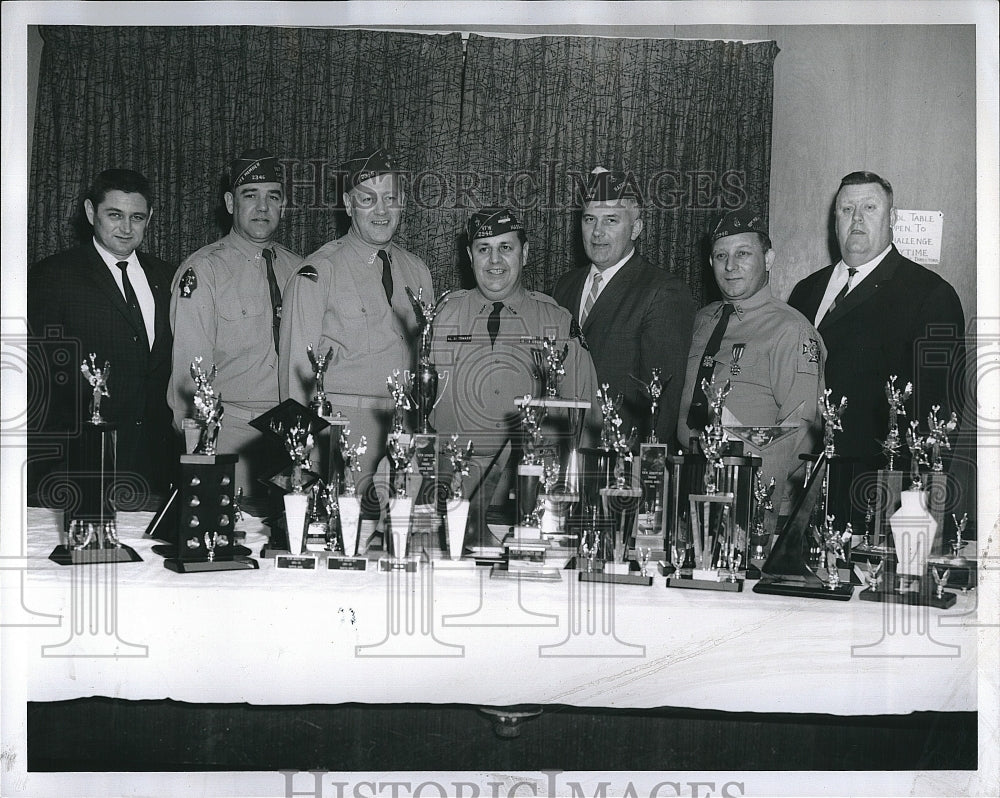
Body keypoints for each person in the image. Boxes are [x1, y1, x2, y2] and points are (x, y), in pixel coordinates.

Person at [279, 146, 434, 529]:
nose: (381, 210)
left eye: (391, 198)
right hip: (341, 438)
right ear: (349, 205)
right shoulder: (317, 272)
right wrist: (306, 463)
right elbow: (296, 377)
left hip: (403, 438)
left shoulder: (419, 274)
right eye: (368, 199)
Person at [429, 208, 600, 545]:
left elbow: (588, 422)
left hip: (524, 501)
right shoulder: (441, 317)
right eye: (483, 249)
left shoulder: (554, 322)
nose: (495, 260)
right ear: (469, 256)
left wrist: (578, 507)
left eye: (505, 247)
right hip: (448, 497)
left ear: (525, 253)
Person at [787, 171, 966, 463]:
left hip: (876, 485)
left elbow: (940, 410)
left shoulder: (931, 294)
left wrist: (912, 500)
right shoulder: (805, 292)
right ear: (834, 220)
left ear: (892, 218)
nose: (856, 218)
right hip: (801, 477)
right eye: (847, 210)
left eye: (869, 208)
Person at [28, 168, 175, 501]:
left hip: (152, 465)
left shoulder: (168, 276)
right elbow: (35, 384)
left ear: (149, 217)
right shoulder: (52, 276)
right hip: (79, 465)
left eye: (136, 217)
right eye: (114, 215)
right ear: (91, 212)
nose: (126, 228)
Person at [167, 149, 302, 500]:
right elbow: (188, 373)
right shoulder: (203, 271)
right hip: (229, 434)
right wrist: (198, 452)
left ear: (283, 205)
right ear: (230, 203)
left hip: (292, 437)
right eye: (250, 196)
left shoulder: (303, 271)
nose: (262, 207)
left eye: (273, 197)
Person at [676, 209, 826, 518]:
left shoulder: (791, 330)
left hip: (754, 501)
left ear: (769, 260)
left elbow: (803, 429)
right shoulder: (701, 321)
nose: (730, 266)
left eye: (743, 253)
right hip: (690, 489)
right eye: (720, 256)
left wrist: (751, 490)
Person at [552, 167, 695, 449]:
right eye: (589, 219)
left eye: (611, 220)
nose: (597, 232)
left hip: (620, 462)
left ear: (636, 229)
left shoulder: (663, 292)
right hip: (563, 453)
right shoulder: (564, 286)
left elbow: (662, 403)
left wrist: (638, 473)